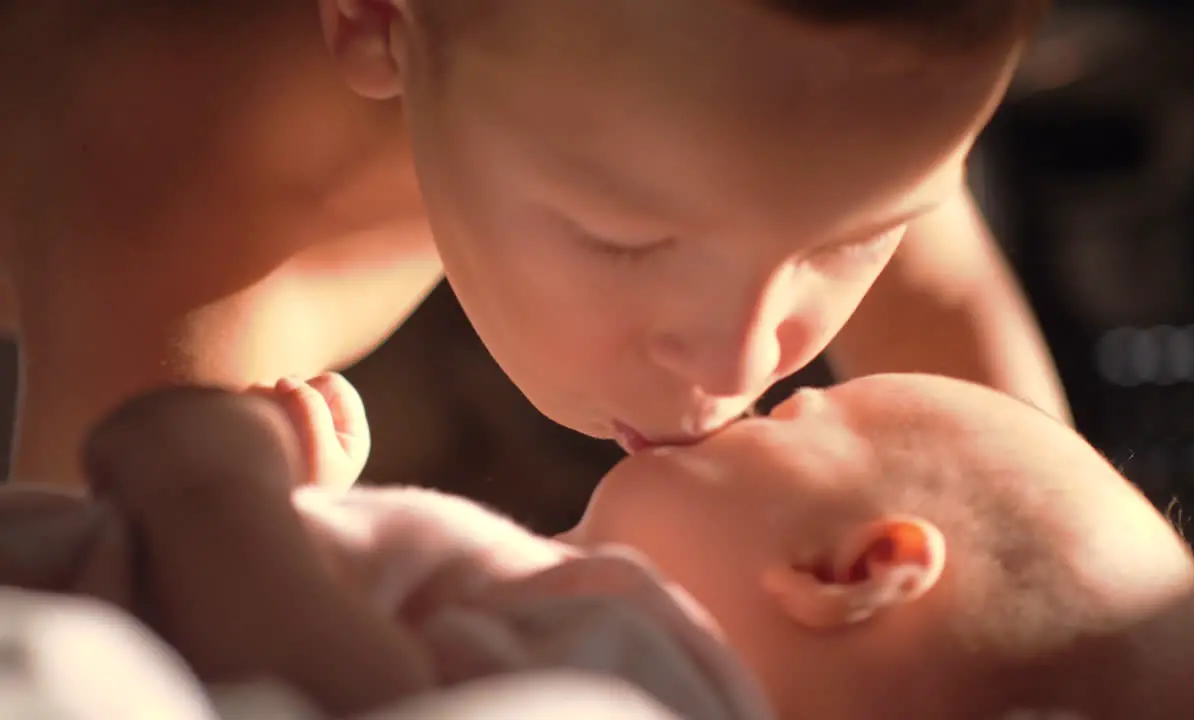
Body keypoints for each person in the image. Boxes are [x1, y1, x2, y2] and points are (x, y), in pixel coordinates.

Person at [0, 0, 1067, 487]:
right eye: (627, 239)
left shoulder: (777, 107)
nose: (744, 364)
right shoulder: (187, 222)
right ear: (376, 18)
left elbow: (964, 347)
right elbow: (94, 651)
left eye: (858, 234)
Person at [0, 373, 1194, 719]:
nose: (741, 398)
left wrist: (214, 494)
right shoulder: (601, 630)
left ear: (849, 570)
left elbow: (331, 695)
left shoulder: (648, 682)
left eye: (792, 415)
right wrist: (316, 525)